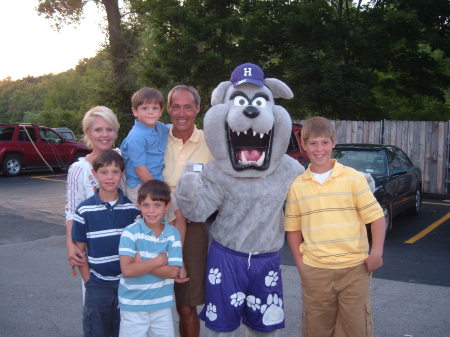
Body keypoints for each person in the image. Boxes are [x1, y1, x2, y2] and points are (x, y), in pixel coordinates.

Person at [284, 116, 386, 337]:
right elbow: (293, 229)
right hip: (316, 271)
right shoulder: (297, 186)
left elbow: (377, 218)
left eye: (324, 142)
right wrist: (301, 266)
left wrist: (376, 252)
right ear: (303, 145)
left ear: (333, 143)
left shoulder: (353, 179)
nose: (319, 149)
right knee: (316, 329)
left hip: (354, 269)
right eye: (312, 143)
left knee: (355, 329)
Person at [71, 149, 140, 337]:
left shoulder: (132, 210)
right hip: (98, 286)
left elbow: (138, 248)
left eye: (115, 172)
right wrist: (89, 282)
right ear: (94, 174)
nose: (110, 177)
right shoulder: (84, 210)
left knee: (125, 331)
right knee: (96, 331)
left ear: (122, 174)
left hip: (127, 285)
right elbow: (80, 251)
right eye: (104, 172)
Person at [163, 85, 214, 337]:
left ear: (197, 109)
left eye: (187, 106)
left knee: (186, 304)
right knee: (150, 301)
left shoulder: (210, 141)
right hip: (154, 223)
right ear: (168, 109)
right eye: (175, 106)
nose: (181, 113)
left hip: (193, 226)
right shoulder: (156, 137)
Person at [118, 180, 183, 337]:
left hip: (162, 306)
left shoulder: (173, 234)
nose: (151, 211)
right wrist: (158, 261)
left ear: (167, 206)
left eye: (157, 205)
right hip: (133, 305)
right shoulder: (130, 233)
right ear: (139, 205)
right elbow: (127, 270)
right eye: (146, 205)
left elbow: (174, 272)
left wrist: (141, 264)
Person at [66, 106, 120, 270]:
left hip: (128, 250)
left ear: (115, 132)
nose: (104, 135)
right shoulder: (79, 169)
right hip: (95, 251)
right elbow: (72, 210)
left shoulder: (125, 159)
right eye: (98, 130)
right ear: (88, 132)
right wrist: (70, 244)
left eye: (109, 129)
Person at [120, 87, 169, 204]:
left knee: (170, 214)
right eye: (145, 108)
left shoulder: (160, 128)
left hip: (157, 182)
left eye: (155, 108)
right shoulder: (136, 137)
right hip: (140, 187)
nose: (150, 112)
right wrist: (156, 189)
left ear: (161, 111)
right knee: (148, 219)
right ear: (135, 111)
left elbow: (172, 129)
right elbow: (140, 168)